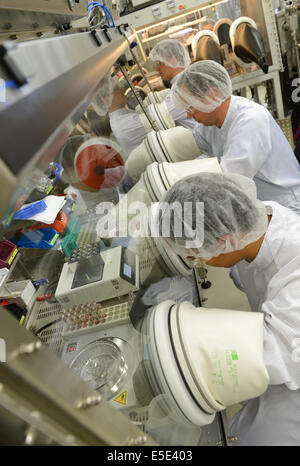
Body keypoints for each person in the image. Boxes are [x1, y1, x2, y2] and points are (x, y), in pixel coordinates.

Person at [156, 171, 300, 445]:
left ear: (224, 243)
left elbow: (279, 355)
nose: (199, 262)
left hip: (293, 374)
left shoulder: (294, 265)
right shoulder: (257, 222)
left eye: (194, 255)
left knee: (258, 436)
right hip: (280, 352)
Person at [171, 60, 300, 214]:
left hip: (286, 209)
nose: (188, 115)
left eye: (191, 107)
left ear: (213, 94)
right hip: (258, 206)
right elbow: (196, 150)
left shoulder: (250, 120)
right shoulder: (209, 123)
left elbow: (230, 179)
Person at [108, 39, 197, 157]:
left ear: (173, 60)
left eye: (160, 63)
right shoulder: (181, 84)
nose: (157, 69)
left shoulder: (182, 89)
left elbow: (159, 116)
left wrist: (117, 114)